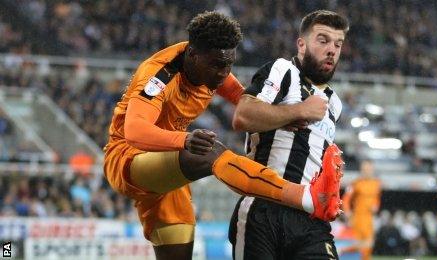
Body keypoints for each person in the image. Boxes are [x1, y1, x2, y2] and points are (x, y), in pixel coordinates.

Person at [103, 11, 341, 260]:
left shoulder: (211, 66)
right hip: (129, 160)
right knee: (208, 153)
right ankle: (302, 195)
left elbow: (244, 101)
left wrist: (282, 115)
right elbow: (134, 131)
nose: (223, 72)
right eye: (217, 65)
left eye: (229, 64)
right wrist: (184, 139)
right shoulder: (160, 76)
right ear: (193, 55)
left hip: (168, 170)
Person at [228, 10, 349, 259]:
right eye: (323, 40)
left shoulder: (334, 103)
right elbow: (243, 116)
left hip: (311, 220)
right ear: (301, 44)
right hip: (264, 210)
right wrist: (298, 111)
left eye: (338, 44)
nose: (332, 50)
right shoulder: (283, 70)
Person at [341, 159, 382, 260]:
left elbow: (376, 199)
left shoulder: (376, 183)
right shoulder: (356, 183)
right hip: (358, 217)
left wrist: (376, 206)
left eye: (369, 168)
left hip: (369, 218)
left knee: (368, 245)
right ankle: (342, 251)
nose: (367, 171)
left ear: (372, 169)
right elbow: (346, 199)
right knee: (365, 244)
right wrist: (347, 212)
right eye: (365, 169)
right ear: (361, 170)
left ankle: (342, 250)